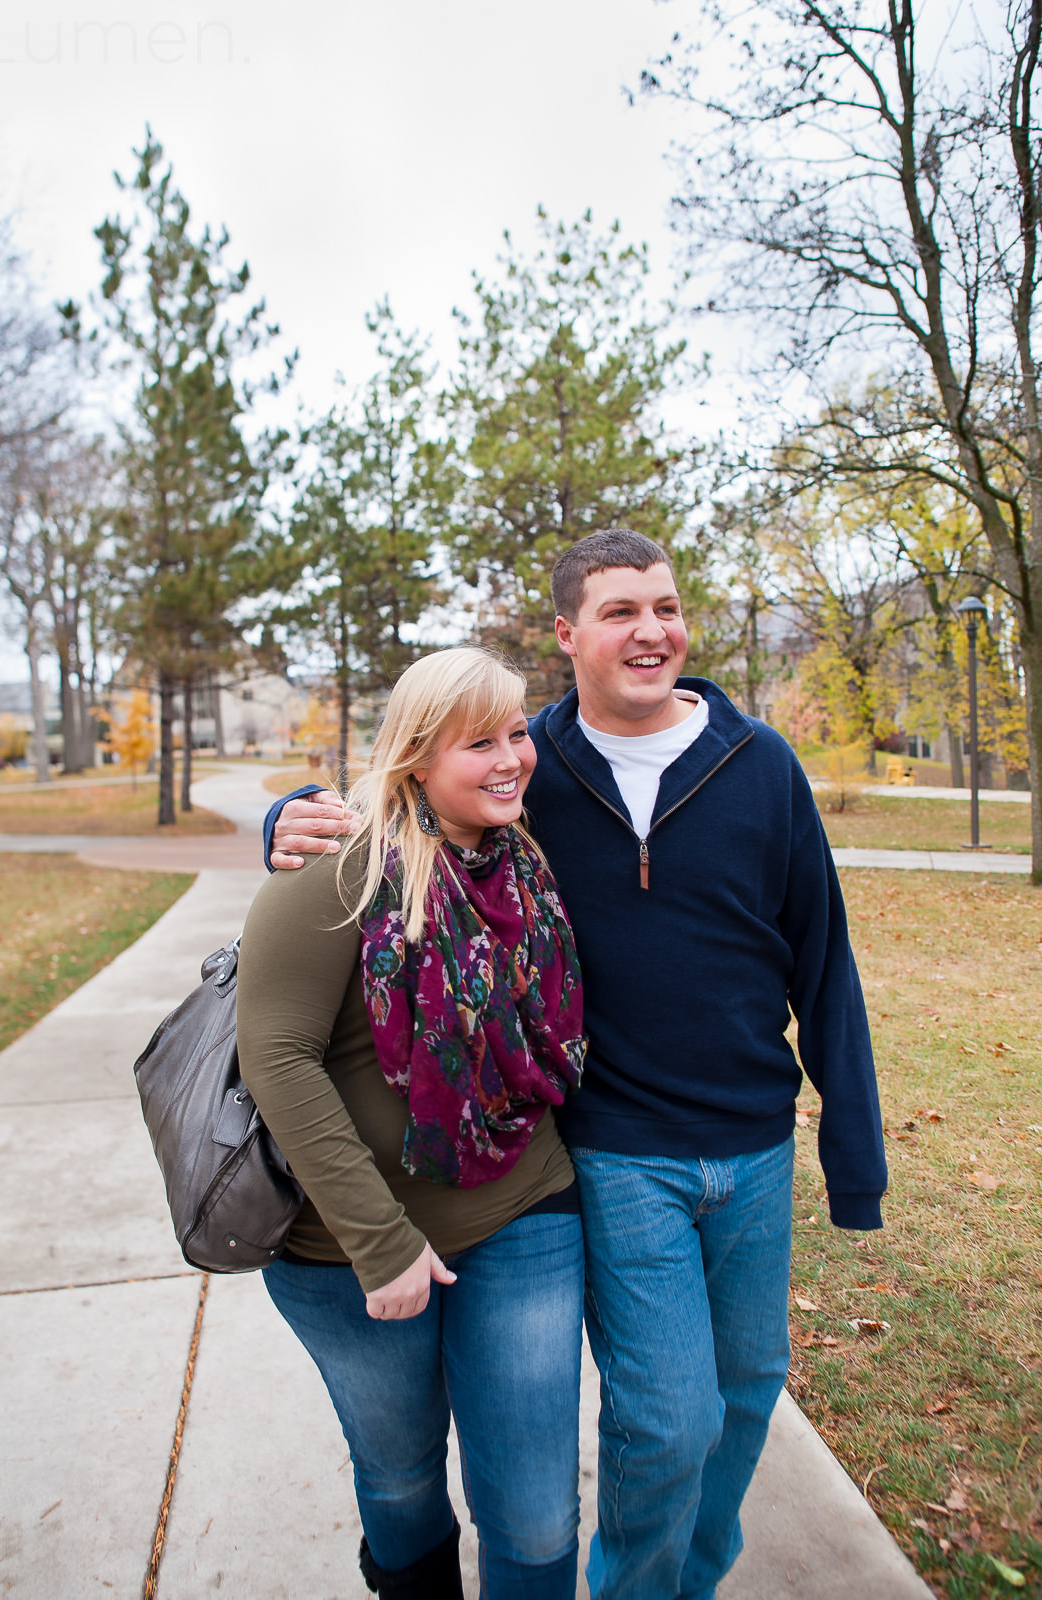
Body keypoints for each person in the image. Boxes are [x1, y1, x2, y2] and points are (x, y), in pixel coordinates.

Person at [264, 529, 888, 1600]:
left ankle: (681, 1582)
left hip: (747, 1141)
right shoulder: (532, 763)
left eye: (666, 606)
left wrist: (855, 1154)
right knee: (662, 1417)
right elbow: (403, 803)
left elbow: (824, 962)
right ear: (568, 635)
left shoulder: (756, 766)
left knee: (745, 1394)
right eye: (619, 611)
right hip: (616, 1149)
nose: (652, 630)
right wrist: (287, 818)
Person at [237, 646, 588, 1600]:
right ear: (414, 760)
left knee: (536, 1509)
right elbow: (276, 1058)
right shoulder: (337, 876)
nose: (512, 757)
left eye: (517, 732)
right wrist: (379, 1243)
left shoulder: (524, 858)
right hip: (346, 1257)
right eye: (479, 742)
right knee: (399, 1484)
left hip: (524, 1217)